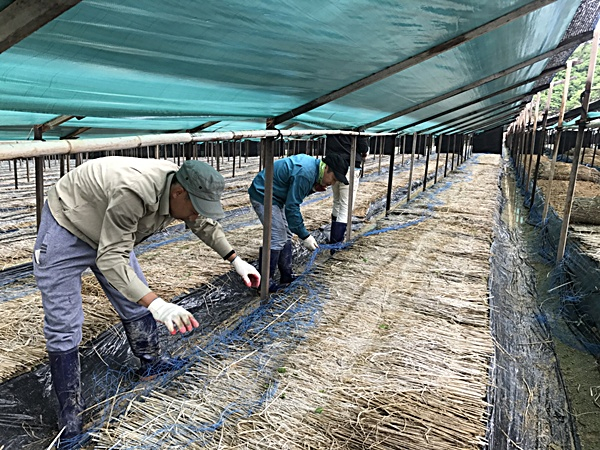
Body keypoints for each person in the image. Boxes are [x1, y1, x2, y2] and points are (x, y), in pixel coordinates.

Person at [33, 156, 260, 445]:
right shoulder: (134, 192)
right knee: (64, 322)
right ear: (178, 193)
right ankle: (70, 417)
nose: (195, 214)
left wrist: (235, 259)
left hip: (113, 228)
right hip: (70, 223)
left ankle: (151, 364)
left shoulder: (182, 188)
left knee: (133, 296)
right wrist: (156, 304)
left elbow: (201, 222)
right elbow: (111, 259)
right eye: (195, 206)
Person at [248, 152, 349, 292]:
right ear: (327, 168)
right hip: (263, 193)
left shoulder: (314, 172)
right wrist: (305, 235)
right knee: (277, 236)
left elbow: (292, 198)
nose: (332, 183)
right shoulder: (306, 174)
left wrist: (313, 188)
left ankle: (286, 275)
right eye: (333, 178)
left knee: (287, 233)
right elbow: (292, 207)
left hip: (278, 196)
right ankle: (263, 283)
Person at [325, 134, 370, 253]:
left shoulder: (332, 124)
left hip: (333, 166)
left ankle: (333, 242)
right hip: (350, 165)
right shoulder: (356, 125)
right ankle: (336, 246)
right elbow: (363, 146)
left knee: (337, 202)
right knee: (345, 206)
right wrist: (364, 151)